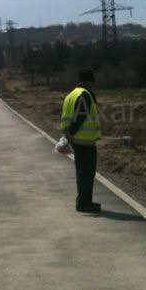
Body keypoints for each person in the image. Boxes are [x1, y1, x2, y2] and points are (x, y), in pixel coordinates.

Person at [60, 69, 102, 213]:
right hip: (84, 141)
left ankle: (84, 202)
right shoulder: (84, 95)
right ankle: (84, 204)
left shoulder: (72, 94)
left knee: (82, 172)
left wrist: (68, 135)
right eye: (92, 82)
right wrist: (71, 133)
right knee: (87, 173)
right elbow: (80, 116)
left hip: (78, 141)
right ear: (89, 81)